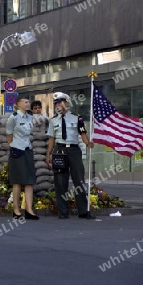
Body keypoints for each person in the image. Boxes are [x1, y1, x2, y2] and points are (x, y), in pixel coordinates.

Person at [45, 92, 95, 220]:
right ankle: (63, 211)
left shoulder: (77, 118)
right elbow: (51, 139)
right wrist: (48, 154)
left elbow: (83, 134)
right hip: (59, 150)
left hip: (73, 151)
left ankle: (83, 210)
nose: (58, 105)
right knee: (60, 182)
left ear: (67, 103)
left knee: (79, 180)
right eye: (56, 103)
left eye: (60, 102)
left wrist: (88, 142)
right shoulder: (53, 120)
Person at [5, 95, 39, 220]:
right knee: (17, 181)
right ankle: (16, 210)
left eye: (28, 101)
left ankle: (29, 210)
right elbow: (9, 134)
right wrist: (14, 146)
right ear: (18, 104)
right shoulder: (13, 118)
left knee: (29, 180)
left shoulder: (30, 116)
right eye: (25, 102)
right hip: (17, 151)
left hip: (28, 149)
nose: (27, 103)